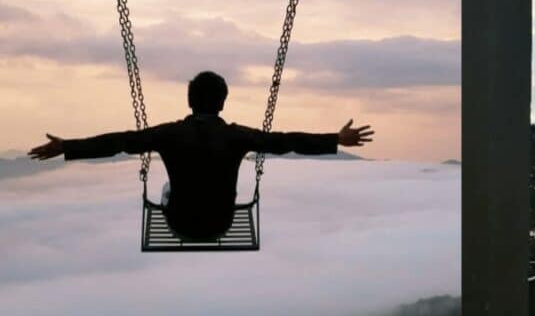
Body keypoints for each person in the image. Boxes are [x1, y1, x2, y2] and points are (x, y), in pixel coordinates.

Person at [28, 71, 374, 240]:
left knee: (168, 188)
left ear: (189, 101)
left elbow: (119, 142)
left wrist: (67, 146)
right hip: (220, 223)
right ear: (222, 102)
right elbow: (286, 141)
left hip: (180, 223)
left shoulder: (169, 134)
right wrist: (336, 139)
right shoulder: (236, 135)